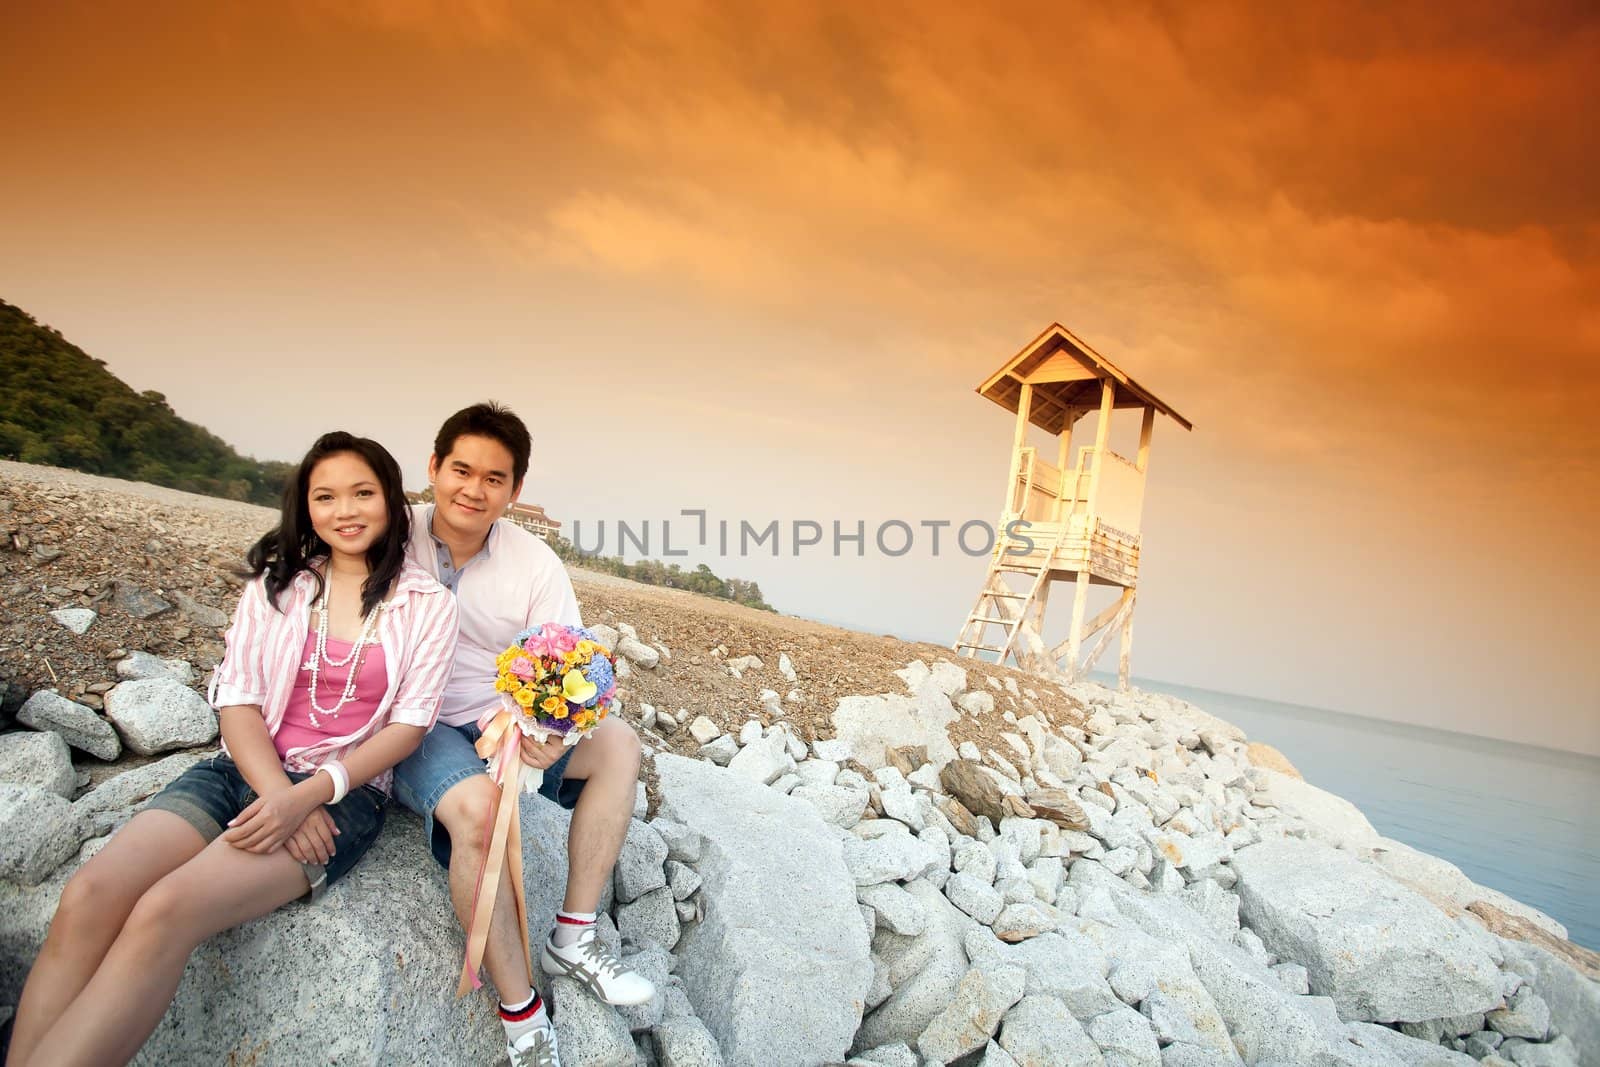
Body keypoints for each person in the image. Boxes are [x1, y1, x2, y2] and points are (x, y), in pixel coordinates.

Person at [6, 432, 459, 1067]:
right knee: (90, 894)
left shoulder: (428, 604)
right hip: (239, 772)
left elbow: (409, 727)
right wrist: (279, 797)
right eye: (325, 496)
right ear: (306, 508)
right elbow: (238, 697)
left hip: (340, 797)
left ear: (390, 499)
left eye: (363, 492)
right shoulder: (280, 586)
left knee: (166, 910)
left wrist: (306, 798)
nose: (345, 510)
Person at [393, 402, 651, 1067]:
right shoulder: (393, 536)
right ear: (434, 466)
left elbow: (576, 662)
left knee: (619, 743)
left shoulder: (534, 563)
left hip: (506, 720)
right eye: (460, 469)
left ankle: (575, 932)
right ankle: (522, 1014)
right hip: (418, 726)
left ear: (515, 490)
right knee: (478, 815)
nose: (472, 490)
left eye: (494, 478)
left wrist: (555, 736)